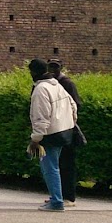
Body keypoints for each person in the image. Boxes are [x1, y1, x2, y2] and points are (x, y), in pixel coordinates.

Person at [28, 58, 78, 211]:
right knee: (54, 166)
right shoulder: (57, 86)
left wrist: (35, 139)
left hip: (50, 134)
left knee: (50, 168)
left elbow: (40, 117)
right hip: (64, 131)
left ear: (33, 72)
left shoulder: (41, 89)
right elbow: (73, 106)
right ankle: (56, 197)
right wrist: (68, 123)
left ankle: (56, 201)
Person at [48, 58, 82, 207]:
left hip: (66, 129)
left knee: (67, 163)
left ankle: (69, 196)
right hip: (56, 129)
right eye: (51, 66)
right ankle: (58, 194)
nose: (53, 69)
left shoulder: (67, 84)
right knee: (57, 163)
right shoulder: (50, 84)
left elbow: (76, 105)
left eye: (55, 67)